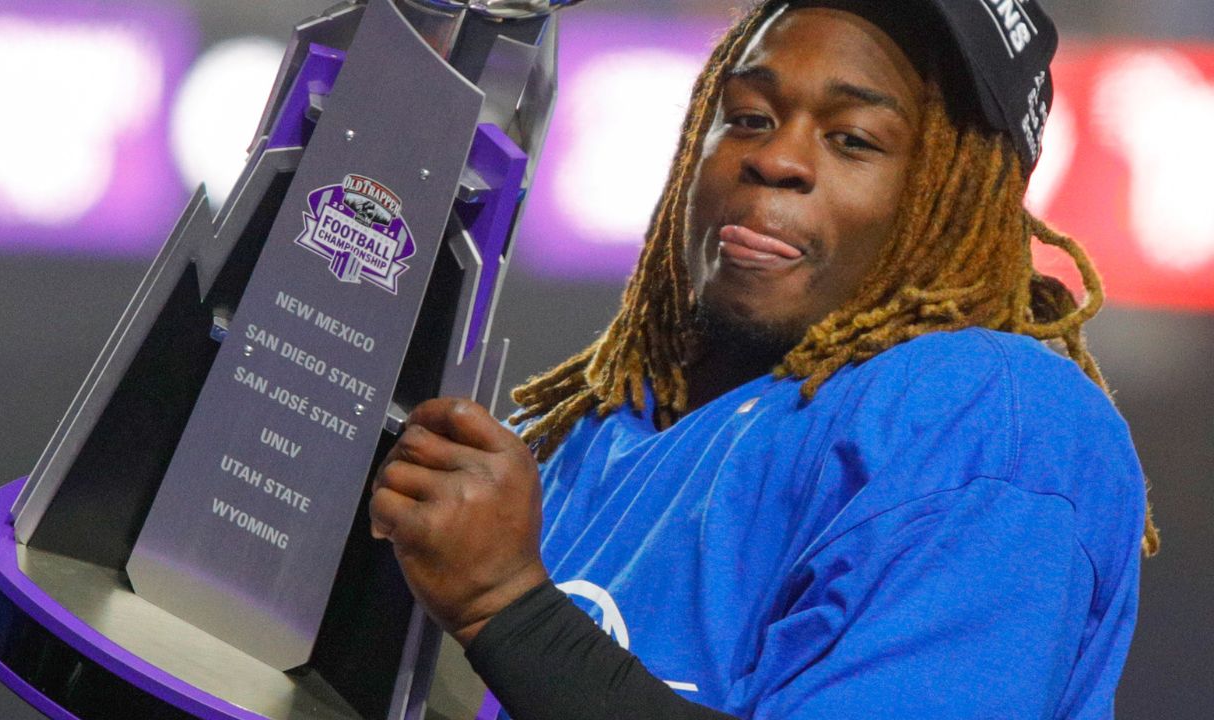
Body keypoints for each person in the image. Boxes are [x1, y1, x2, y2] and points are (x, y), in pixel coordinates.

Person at [367, 0, 1160, 717]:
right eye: (746, 116)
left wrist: (505, 607)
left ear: (959, 195)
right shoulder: (596, 433)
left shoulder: (990, 415)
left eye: (853, 138)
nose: (775, 158)